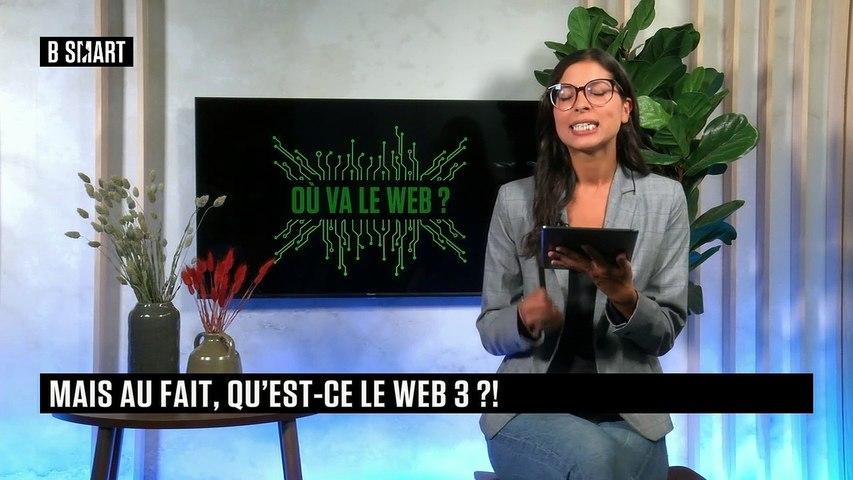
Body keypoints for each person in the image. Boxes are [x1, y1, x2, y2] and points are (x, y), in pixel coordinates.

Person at [476, 48, 689, 480]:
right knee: (595, 459)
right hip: (529, 411)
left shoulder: (665, 199)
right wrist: (523, 318)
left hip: (630, 417)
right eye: (566, 93)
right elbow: (490, 330)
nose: (581, 103)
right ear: (555, 113)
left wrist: (624, 296)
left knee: (610, 462)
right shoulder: (515, 200)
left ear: (625, 108)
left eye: (598, 90)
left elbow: (664, 332)